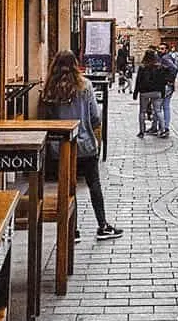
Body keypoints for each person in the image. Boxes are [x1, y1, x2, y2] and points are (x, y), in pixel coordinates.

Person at [41, 50, 123, 240]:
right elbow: (95, 116)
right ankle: (102, 225)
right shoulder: (84, 86)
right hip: (84, 144)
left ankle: (73, 230)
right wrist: (97, 139)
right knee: (94, 184)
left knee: (68, 186)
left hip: (60, 147)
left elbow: (46, 117)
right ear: (75, 64)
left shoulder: (49, 88)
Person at [133, 49, 169, 137]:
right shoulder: (159, 67)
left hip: (144, 92)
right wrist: (162, 92)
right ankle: (163, 129)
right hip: (157, 92)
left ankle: (141, 131)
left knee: (142, 111)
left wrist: (135, 93)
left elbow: (138, 81)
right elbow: (163, 81)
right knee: (158, 111)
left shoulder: (142, 67)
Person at [158, 42, 178, 134]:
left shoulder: (165, 58)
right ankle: (165, 126)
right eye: (159, 48)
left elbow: (174, 68)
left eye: (162, 49)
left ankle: (164, 127)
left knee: (161, 107)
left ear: (166, 50)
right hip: (169, 85)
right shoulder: (167, 57)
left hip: (166, 85)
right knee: (165, 106)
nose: (160, 50)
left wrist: (169, 80)